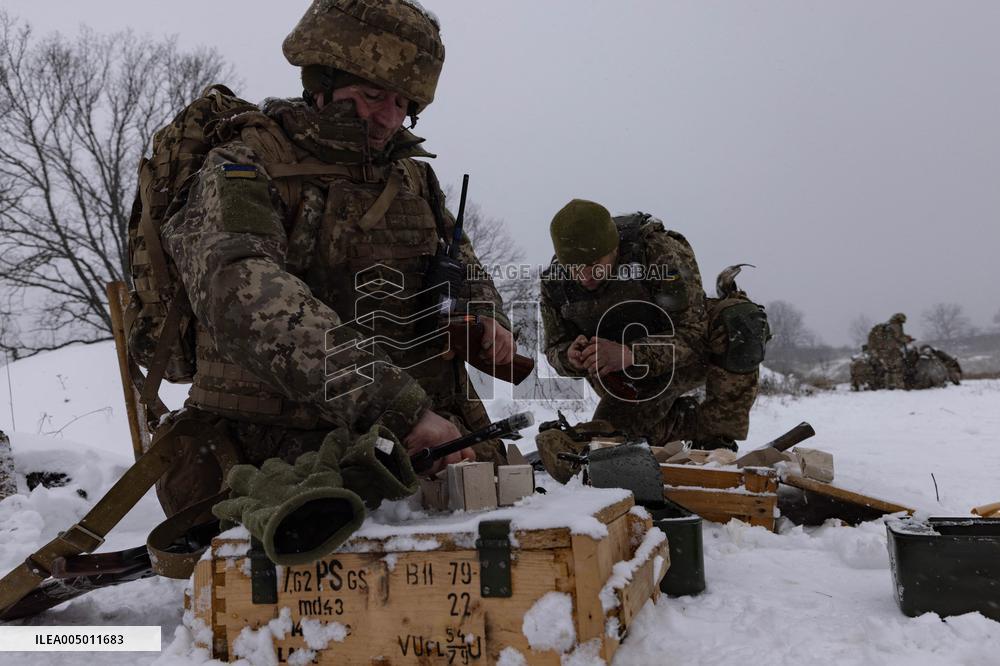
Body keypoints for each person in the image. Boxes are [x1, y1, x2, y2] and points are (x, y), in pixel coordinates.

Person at [151, 0, 513, 553]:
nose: (389, 118)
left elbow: (465, 267)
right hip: (277, 456)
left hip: (420, 445)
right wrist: (399, 406)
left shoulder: (413, 179)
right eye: (372, 96)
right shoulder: (244, 164)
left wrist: (485, 317)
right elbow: (243, 296)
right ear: (321, 80)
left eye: (402, 103)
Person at [538, 199, 767, 457]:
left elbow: (693, 333)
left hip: (686, 359)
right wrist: (570, 356)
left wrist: (631, 353)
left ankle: (718, 438)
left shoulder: (659, 253)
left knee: (738, 319)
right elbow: (554, 348)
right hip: (628, 381)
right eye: (574, 268)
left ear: (614, 248)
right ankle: (689, 424)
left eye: (593, 265)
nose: (584, 277)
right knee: (613, 445)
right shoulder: (555, 284)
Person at [867, 313, 913, 389]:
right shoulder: (895, 325)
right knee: (897, 369)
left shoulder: (884, 327)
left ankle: (888, 385)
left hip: (882, 351)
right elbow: (899, 337)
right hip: (893, 351)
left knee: (888, 369)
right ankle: (898, 385)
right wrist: (908, 339)